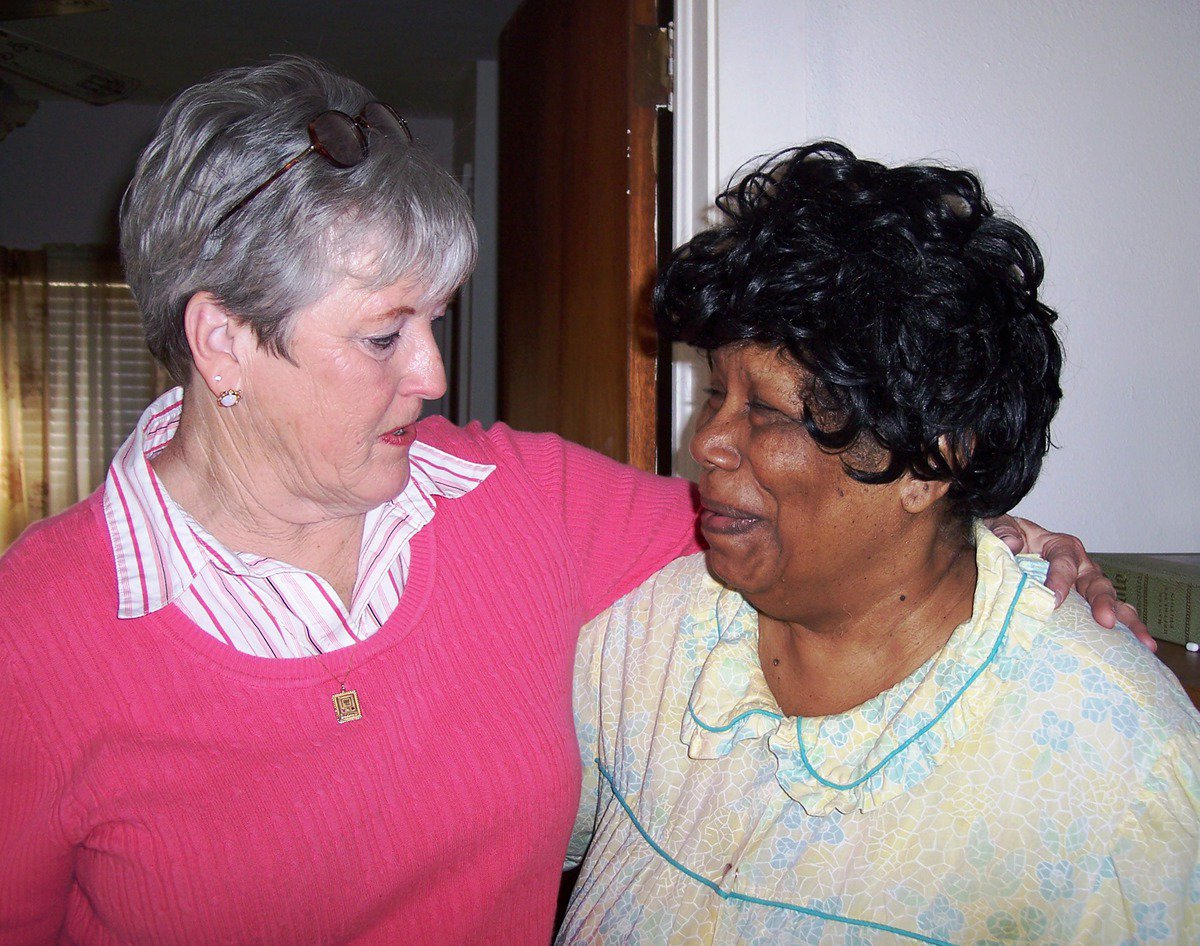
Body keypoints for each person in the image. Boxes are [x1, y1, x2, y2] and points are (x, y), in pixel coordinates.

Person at [0, 58, 1137, 944]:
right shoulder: (35, 633)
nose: (435, 376)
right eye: (384, 334)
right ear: (223, 341)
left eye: (436, 320)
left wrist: (993, 535)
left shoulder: (524, 505)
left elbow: (809, 517)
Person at [561, 143, 1200, 944]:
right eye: (718, 392)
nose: (708, 443)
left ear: (929, 461)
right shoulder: (642, 640)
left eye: (765, 412)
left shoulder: (1117, 764)